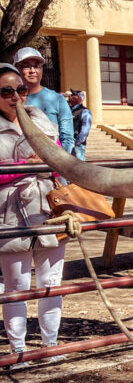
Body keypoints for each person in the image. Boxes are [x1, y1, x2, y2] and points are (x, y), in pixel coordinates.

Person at [0, 63, 67, 360]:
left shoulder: (41, 120)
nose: (15, 96)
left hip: (46, 209)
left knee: (51, 282)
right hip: (8, 213)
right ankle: (18, 350)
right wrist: (23, 168)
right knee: (15, 285)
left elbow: (58, 158)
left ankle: (50, 346)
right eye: (6, 91)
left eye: (20, 90)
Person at [13, 48, 75, 154]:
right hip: (15, 165)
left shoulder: (57, 99)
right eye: (26, 66)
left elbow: (67, 138)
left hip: (49, 165)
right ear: (16, 69)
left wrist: (56, 164)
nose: (32, 70)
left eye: (37, 66)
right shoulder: (8, 99)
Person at [67, 90, 92, 160]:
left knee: (79, 167)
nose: (70, 96)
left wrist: (77, 143)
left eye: (73, 95)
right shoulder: (67, 109)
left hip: (77, 145)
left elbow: (85, 130)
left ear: (79, 98)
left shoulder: (84, 111)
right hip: (66, 143)